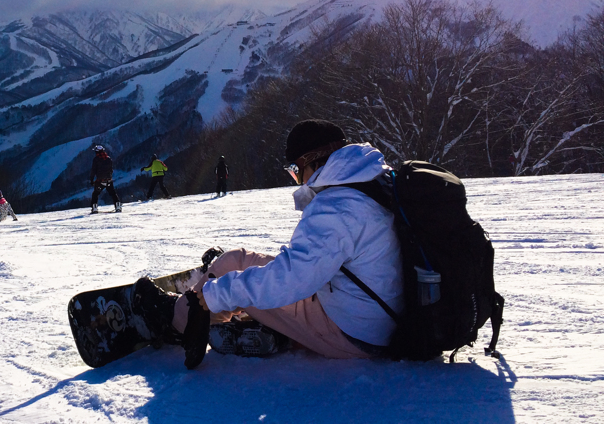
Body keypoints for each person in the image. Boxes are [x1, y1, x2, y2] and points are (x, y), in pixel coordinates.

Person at [133, 119, 405, 369]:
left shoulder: (336, 207)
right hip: (376, 317)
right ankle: (230, 298)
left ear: (309, 161)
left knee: (230, 271)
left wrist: (218, 294)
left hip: (353, 332)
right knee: (236, 262)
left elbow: (292, 279)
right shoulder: (369, 181)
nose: (298, 180)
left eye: (295, 171)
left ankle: (171, 318)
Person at [88, 145, 122, 214]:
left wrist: (91, 179)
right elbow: (111, 170)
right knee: (113, 193)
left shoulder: (96, 159)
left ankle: (94, 208)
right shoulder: (108, 159)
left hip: (100, 181)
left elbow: (93, 170)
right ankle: (118, 206)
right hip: (108, 180)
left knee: (95, 194)